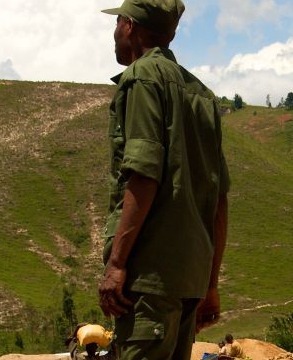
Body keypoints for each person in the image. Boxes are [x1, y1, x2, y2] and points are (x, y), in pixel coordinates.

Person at [96, 0, 231, 359]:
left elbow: (144, 174)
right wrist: (211, 284)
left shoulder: (142, 78)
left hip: (149, 280)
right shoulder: (202, 96)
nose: (114, 33)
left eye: (117, 23)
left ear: (129, 25)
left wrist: (118, 264)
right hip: (189, 281)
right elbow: (219, 199)